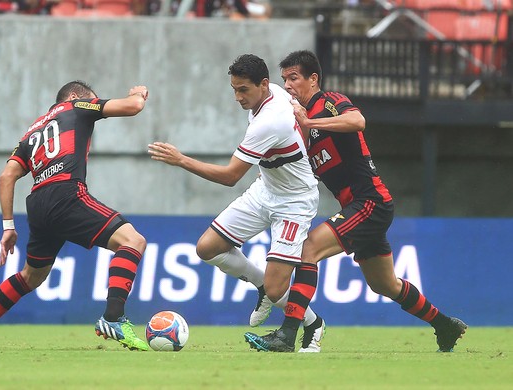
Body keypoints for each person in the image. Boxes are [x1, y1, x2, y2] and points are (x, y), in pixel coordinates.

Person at [244, 49, 468, 353]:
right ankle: (445, 325)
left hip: (369, 202)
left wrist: (311, 123)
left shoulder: (330, 103)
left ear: (313, 79)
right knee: (385, 285)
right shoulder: (300, 124)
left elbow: (358, 120)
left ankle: (287, 334)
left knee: (308, 248)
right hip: (360, 207)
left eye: (294, 78)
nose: (289, 86)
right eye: (285, 79)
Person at [148, 54, 325, 353]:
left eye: (243, 89)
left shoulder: (269, 121)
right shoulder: (274, 96)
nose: (238, 97)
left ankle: (313, 322)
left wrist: (181, 160)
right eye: (234, 89)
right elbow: (299, 112)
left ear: (263, 84)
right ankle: (260, 287)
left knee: (277, 287)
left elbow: (230, 176)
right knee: (206, 248)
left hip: (294, 202)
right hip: (265, 190)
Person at [0, 81, 151, 351]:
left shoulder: (32, 132)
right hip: (67, 193)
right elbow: (133, 107)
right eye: (93, 100)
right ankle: (114, 318)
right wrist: (138, 94)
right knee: (133, 241)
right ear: (73, 97)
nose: (94, 106)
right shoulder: (76, 106)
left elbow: (6, 176)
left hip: (38, 204)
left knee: (30, 276)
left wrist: (8, 227)